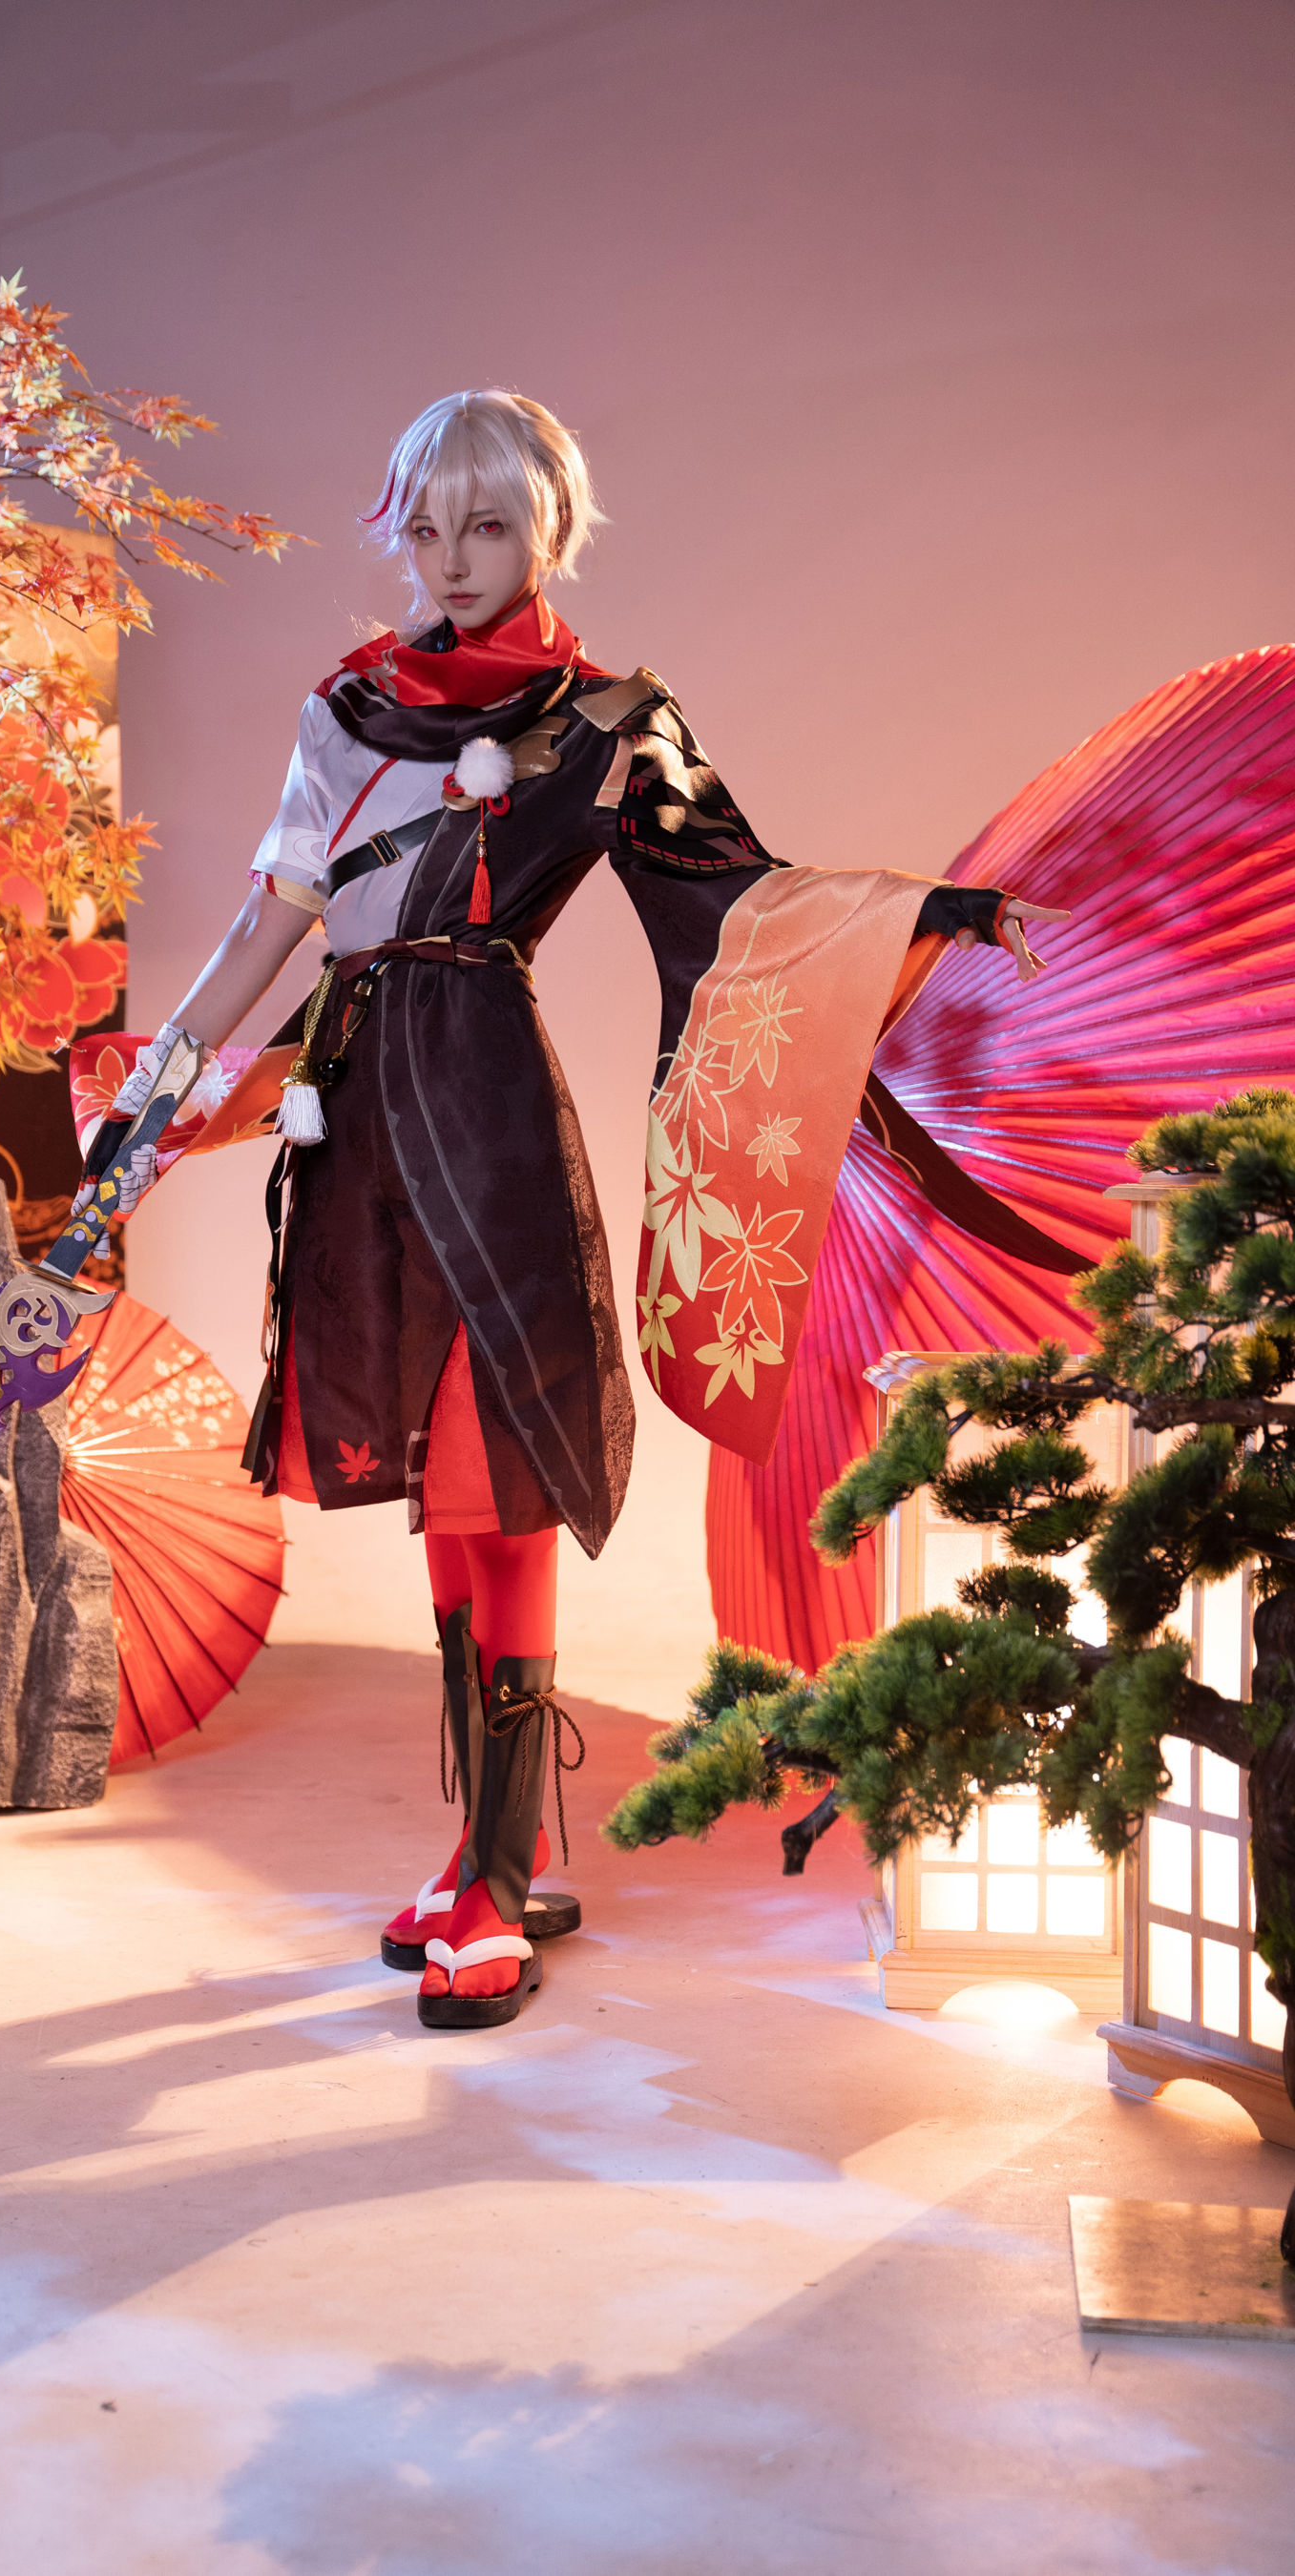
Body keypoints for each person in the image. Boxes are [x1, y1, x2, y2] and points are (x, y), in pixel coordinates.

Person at [69, 389, 1065, 2031]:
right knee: (439, 1478)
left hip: (486, 1110)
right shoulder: (345, 711)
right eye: (429, 526)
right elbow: (268, 925)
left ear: (549, 532)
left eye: (491, 526)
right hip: (357, 1116)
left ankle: (491, 1877)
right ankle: (504, 1848)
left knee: (499, 1465)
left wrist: (927, 914)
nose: (455, 559)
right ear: (397, 530)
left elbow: (747, 904)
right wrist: (160, 1081)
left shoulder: (608, 720)